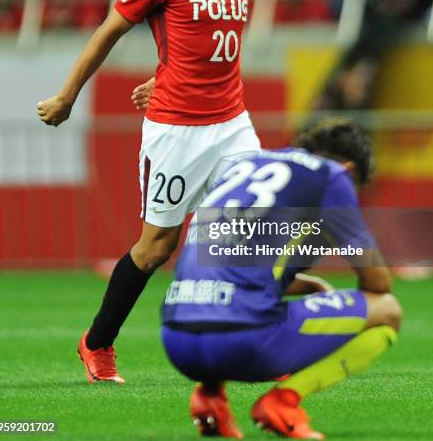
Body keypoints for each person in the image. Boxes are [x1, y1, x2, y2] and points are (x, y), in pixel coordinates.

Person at [37, 0, 261, 383]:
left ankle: (252, 347)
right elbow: (106, 33)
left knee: (251, 233)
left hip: (233, 123)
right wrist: (67, 97)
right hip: (176, 131)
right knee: (156, 246)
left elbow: (209, 45)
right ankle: (96, 343)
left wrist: (163, 74)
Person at [161, 119, 403, 439]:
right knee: (387, 310)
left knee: (233, 299)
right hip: (241, 344)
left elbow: (227, 262)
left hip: (177, 341)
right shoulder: (332, 177)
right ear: (348, 170)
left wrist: (303, 284)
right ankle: (284, 402)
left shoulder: (247, 164)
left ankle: (210, 397)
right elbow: (377, 283)